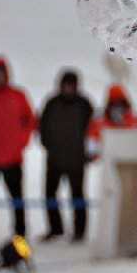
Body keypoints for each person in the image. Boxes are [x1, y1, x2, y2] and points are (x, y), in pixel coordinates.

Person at [38, 69, 95, 241]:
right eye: (66, 84)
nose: (68, 88)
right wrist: (49, 146)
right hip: (54, 159)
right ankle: (55, 228)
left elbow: (93, 131)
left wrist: (87, 153)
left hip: (76, 161)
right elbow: (42, 127)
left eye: (72, 84)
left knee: (77, 196)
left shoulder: (84, 105)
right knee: (49, 195)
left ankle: (79, 231)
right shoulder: (52, 103)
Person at [0, 57, 36, 238]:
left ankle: (20, 239)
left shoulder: (18, 96)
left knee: (17, 201)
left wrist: (20, 142)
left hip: (13, 159)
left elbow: (29, 121)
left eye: (1, 73)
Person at [87, 84, 137, 154]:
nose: (117, 107)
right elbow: (91, 145)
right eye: (114, 103)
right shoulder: (99, 121)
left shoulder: (135, 120)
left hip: (130, 160)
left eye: (120, 103)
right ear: (109, 104)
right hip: (106, 161)